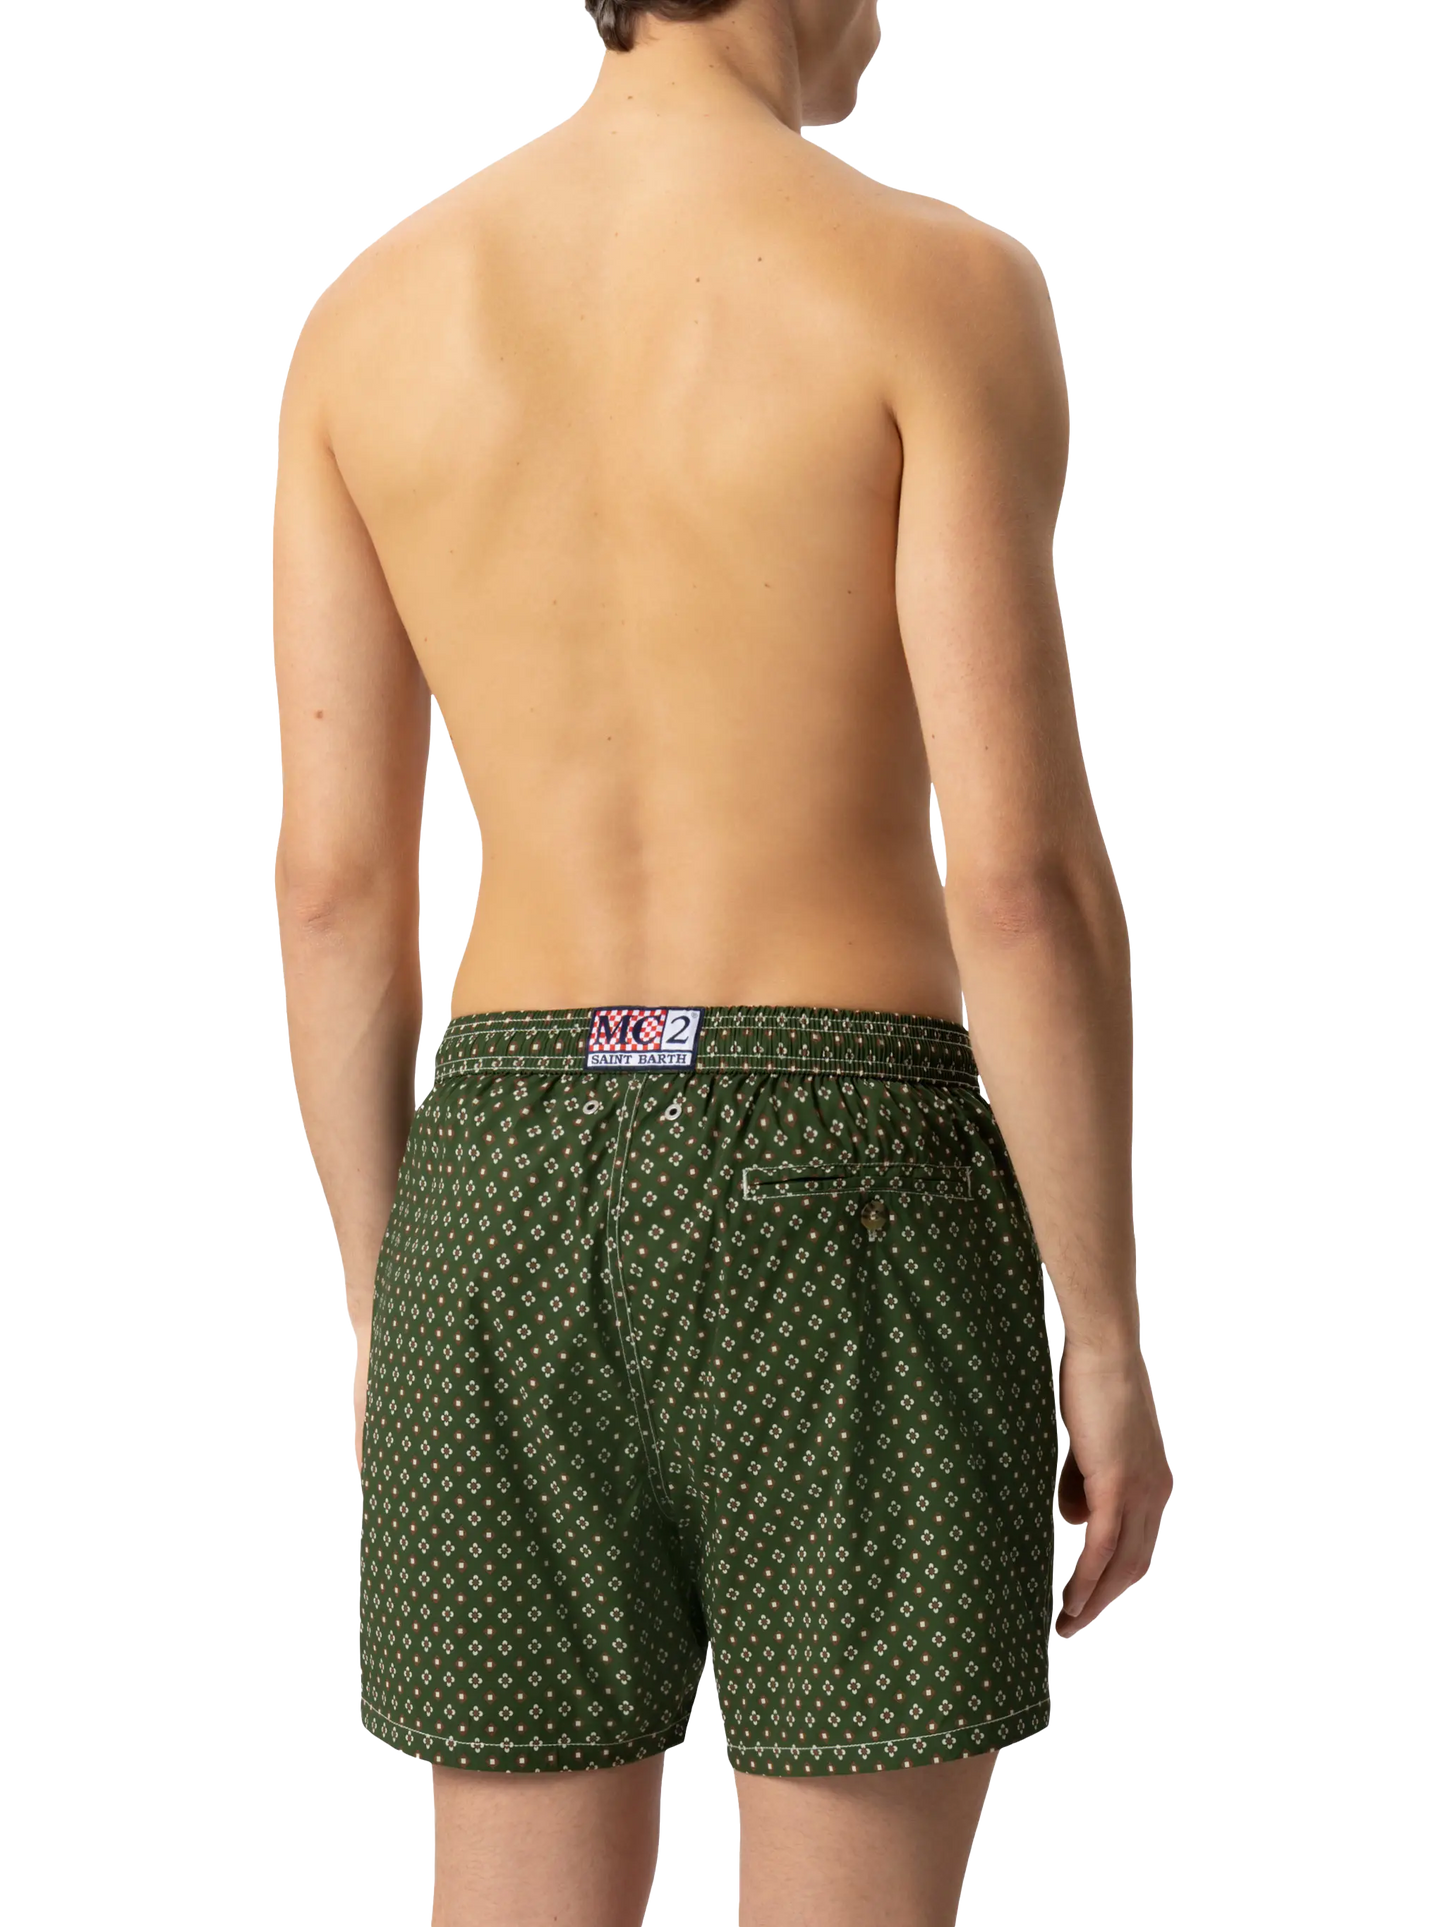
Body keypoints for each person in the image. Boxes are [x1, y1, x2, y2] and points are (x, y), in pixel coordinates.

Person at [270, 2, 1174, 1921]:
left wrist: (379, 1304)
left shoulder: (369, 313)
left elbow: (336, 887)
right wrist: (1101, 1331)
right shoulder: (939, 284)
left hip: (496, 1196)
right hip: (849, 1185)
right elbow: (1020, 878)